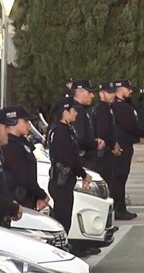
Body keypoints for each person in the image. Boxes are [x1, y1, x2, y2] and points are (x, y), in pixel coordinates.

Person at [47, 96, 103, 256]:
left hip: (64, 181)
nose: (76, 114)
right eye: (73, 111)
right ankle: (57, 251)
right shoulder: (60, 132)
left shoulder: (64, 130)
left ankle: (61, 248)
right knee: (62, 219)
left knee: (65, 216)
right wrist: (83, 174)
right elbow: (69, 158)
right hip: (61, 181)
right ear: (65, 112)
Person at [111, 79, 144, 220]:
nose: (131, 91)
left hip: (126, 144)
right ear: (120, 90)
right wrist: (142, 133)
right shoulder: (119, 107)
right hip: (121, 145)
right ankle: (118, 208)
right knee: (119, 177)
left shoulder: (125, 105)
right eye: (128, 89)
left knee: (122, 176)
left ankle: (120, 206)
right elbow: (130, 125)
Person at [1, 106, 49, 211]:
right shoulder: (9, 145)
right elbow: (22, 176)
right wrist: (41, 194)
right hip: (17, 200)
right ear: (12, 121)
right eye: (25, 121)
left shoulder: (20, 142)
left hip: (25, 198)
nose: (29, 124)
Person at [91, 80, 122, 185]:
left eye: (114, 92)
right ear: (101, 94)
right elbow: (103, 132)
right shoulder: (102, 109)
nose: (113, 95)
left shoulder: (107, 108)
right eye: (109, 92)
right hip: (103, 153)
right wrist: (113, 145)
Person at [71, 80, 104, 167]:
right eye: (89, 92)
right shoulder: (78, 111)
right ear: (80, 93)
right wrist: (95, 143)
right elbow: (79, 138)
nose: (93, 96)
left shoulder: (80, 109)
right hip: (83, 160)